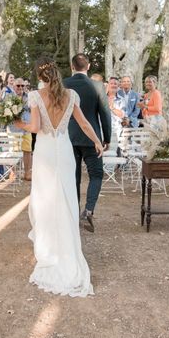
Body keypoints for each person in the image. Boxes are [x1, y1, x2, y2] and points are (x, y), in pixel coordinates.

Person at [14, 57, 102, 297]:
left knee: (44, 200)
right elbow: (83, 123)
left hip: (44, 152)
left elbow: (34, 127)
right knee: (65, 196)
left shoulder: (35, 96)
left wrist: (17, 123)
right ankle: (67, 246)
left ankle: (49, 248)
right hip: (63, 151)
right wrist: (96, 141)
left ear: (40, 76)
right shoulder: (71, 95)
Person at [63, 53, 112, 233]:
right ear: (88, 66)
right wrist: (106, 138)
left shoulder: (64, 84)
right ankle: (88, 210)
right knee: (96, 174)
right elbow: (105, 114)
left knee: (73, 177)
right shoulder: (98, 85)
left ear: (72, 66)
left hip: (69, 137)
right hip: (93, 139)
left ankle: (73, 215)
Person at [106, 76, 127, 151]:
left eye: (115, 84)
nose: (113, 85)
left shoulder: (121, 99)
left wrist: (112, 108)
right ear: (108, 85)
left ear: (118, 86)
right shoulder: (102, 98)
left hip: (116, 130)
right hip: (102, 129)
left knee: (114, 152)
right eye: (111, 83)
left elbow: (122, 114)